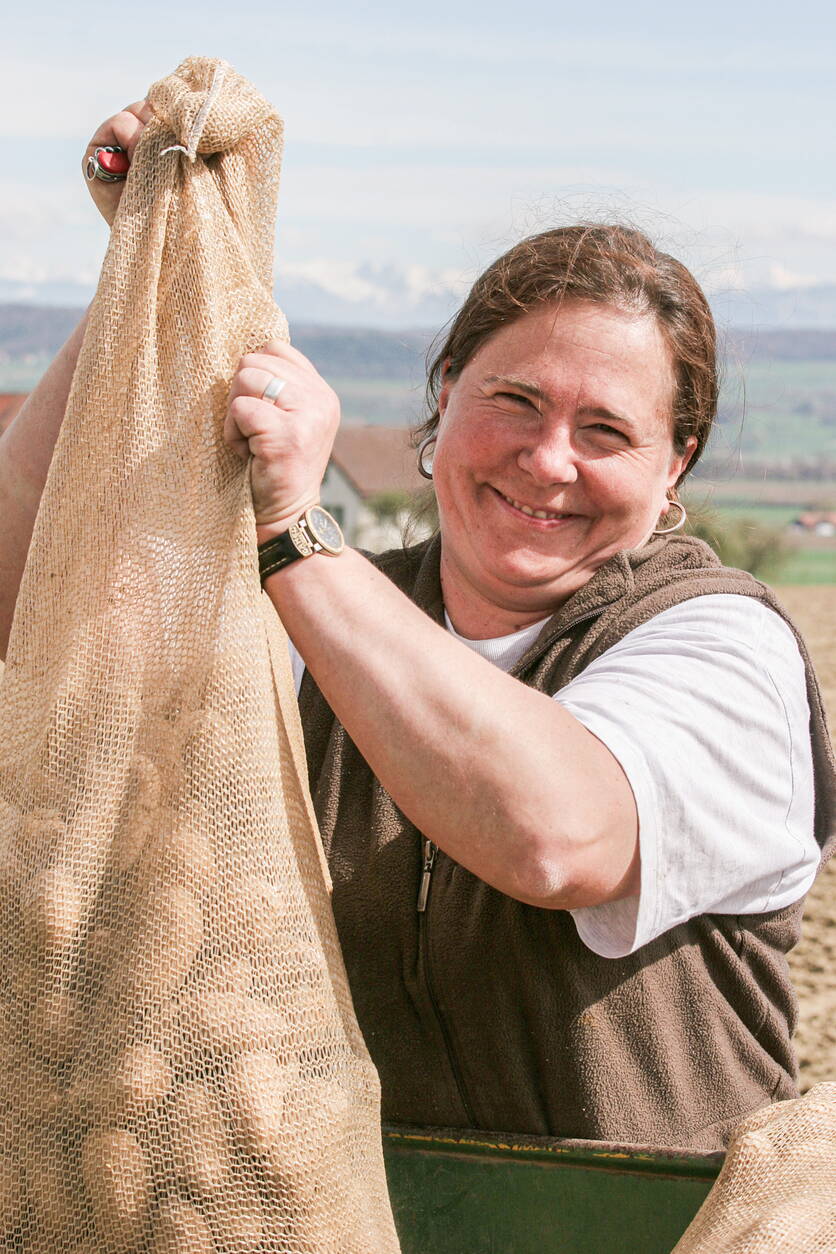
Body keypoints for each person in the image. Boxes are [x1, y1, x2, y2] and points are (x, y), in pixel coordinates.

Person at [0, 104, 832, 1153]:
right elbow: (31, 599)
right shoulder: (312, 618)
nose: (548, 460)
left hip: (639, 1219)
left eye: (606, 431)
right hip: (331, 1213)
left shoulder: (719, 646)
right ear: (445, 394)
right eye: (515, 400)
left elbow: (555, 836)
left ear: (676, 463)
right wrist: (151, 266)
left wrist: (291, 534)